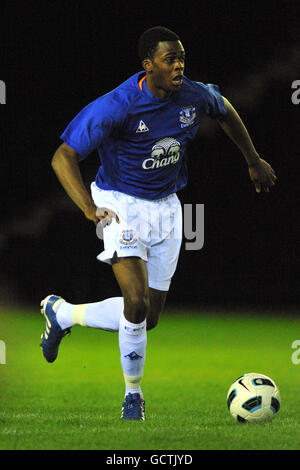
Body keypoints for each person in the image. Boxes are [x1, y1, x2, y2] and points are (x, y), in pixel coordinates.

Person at [40, 26, 277, 421]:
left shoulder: (194, 96)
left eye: (182, 57)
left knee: (146, 318)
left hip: (167, 208)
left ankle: (62, 314)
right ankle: (133, 396)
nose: (179, 65)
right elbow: (63, 156)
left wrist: (253, 160)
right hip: (119, 203)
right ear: (148, 66)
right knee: (135, 300)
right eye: (170, 59)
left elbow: (226, 110)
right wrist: (86, 206)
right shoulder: (117, 105)